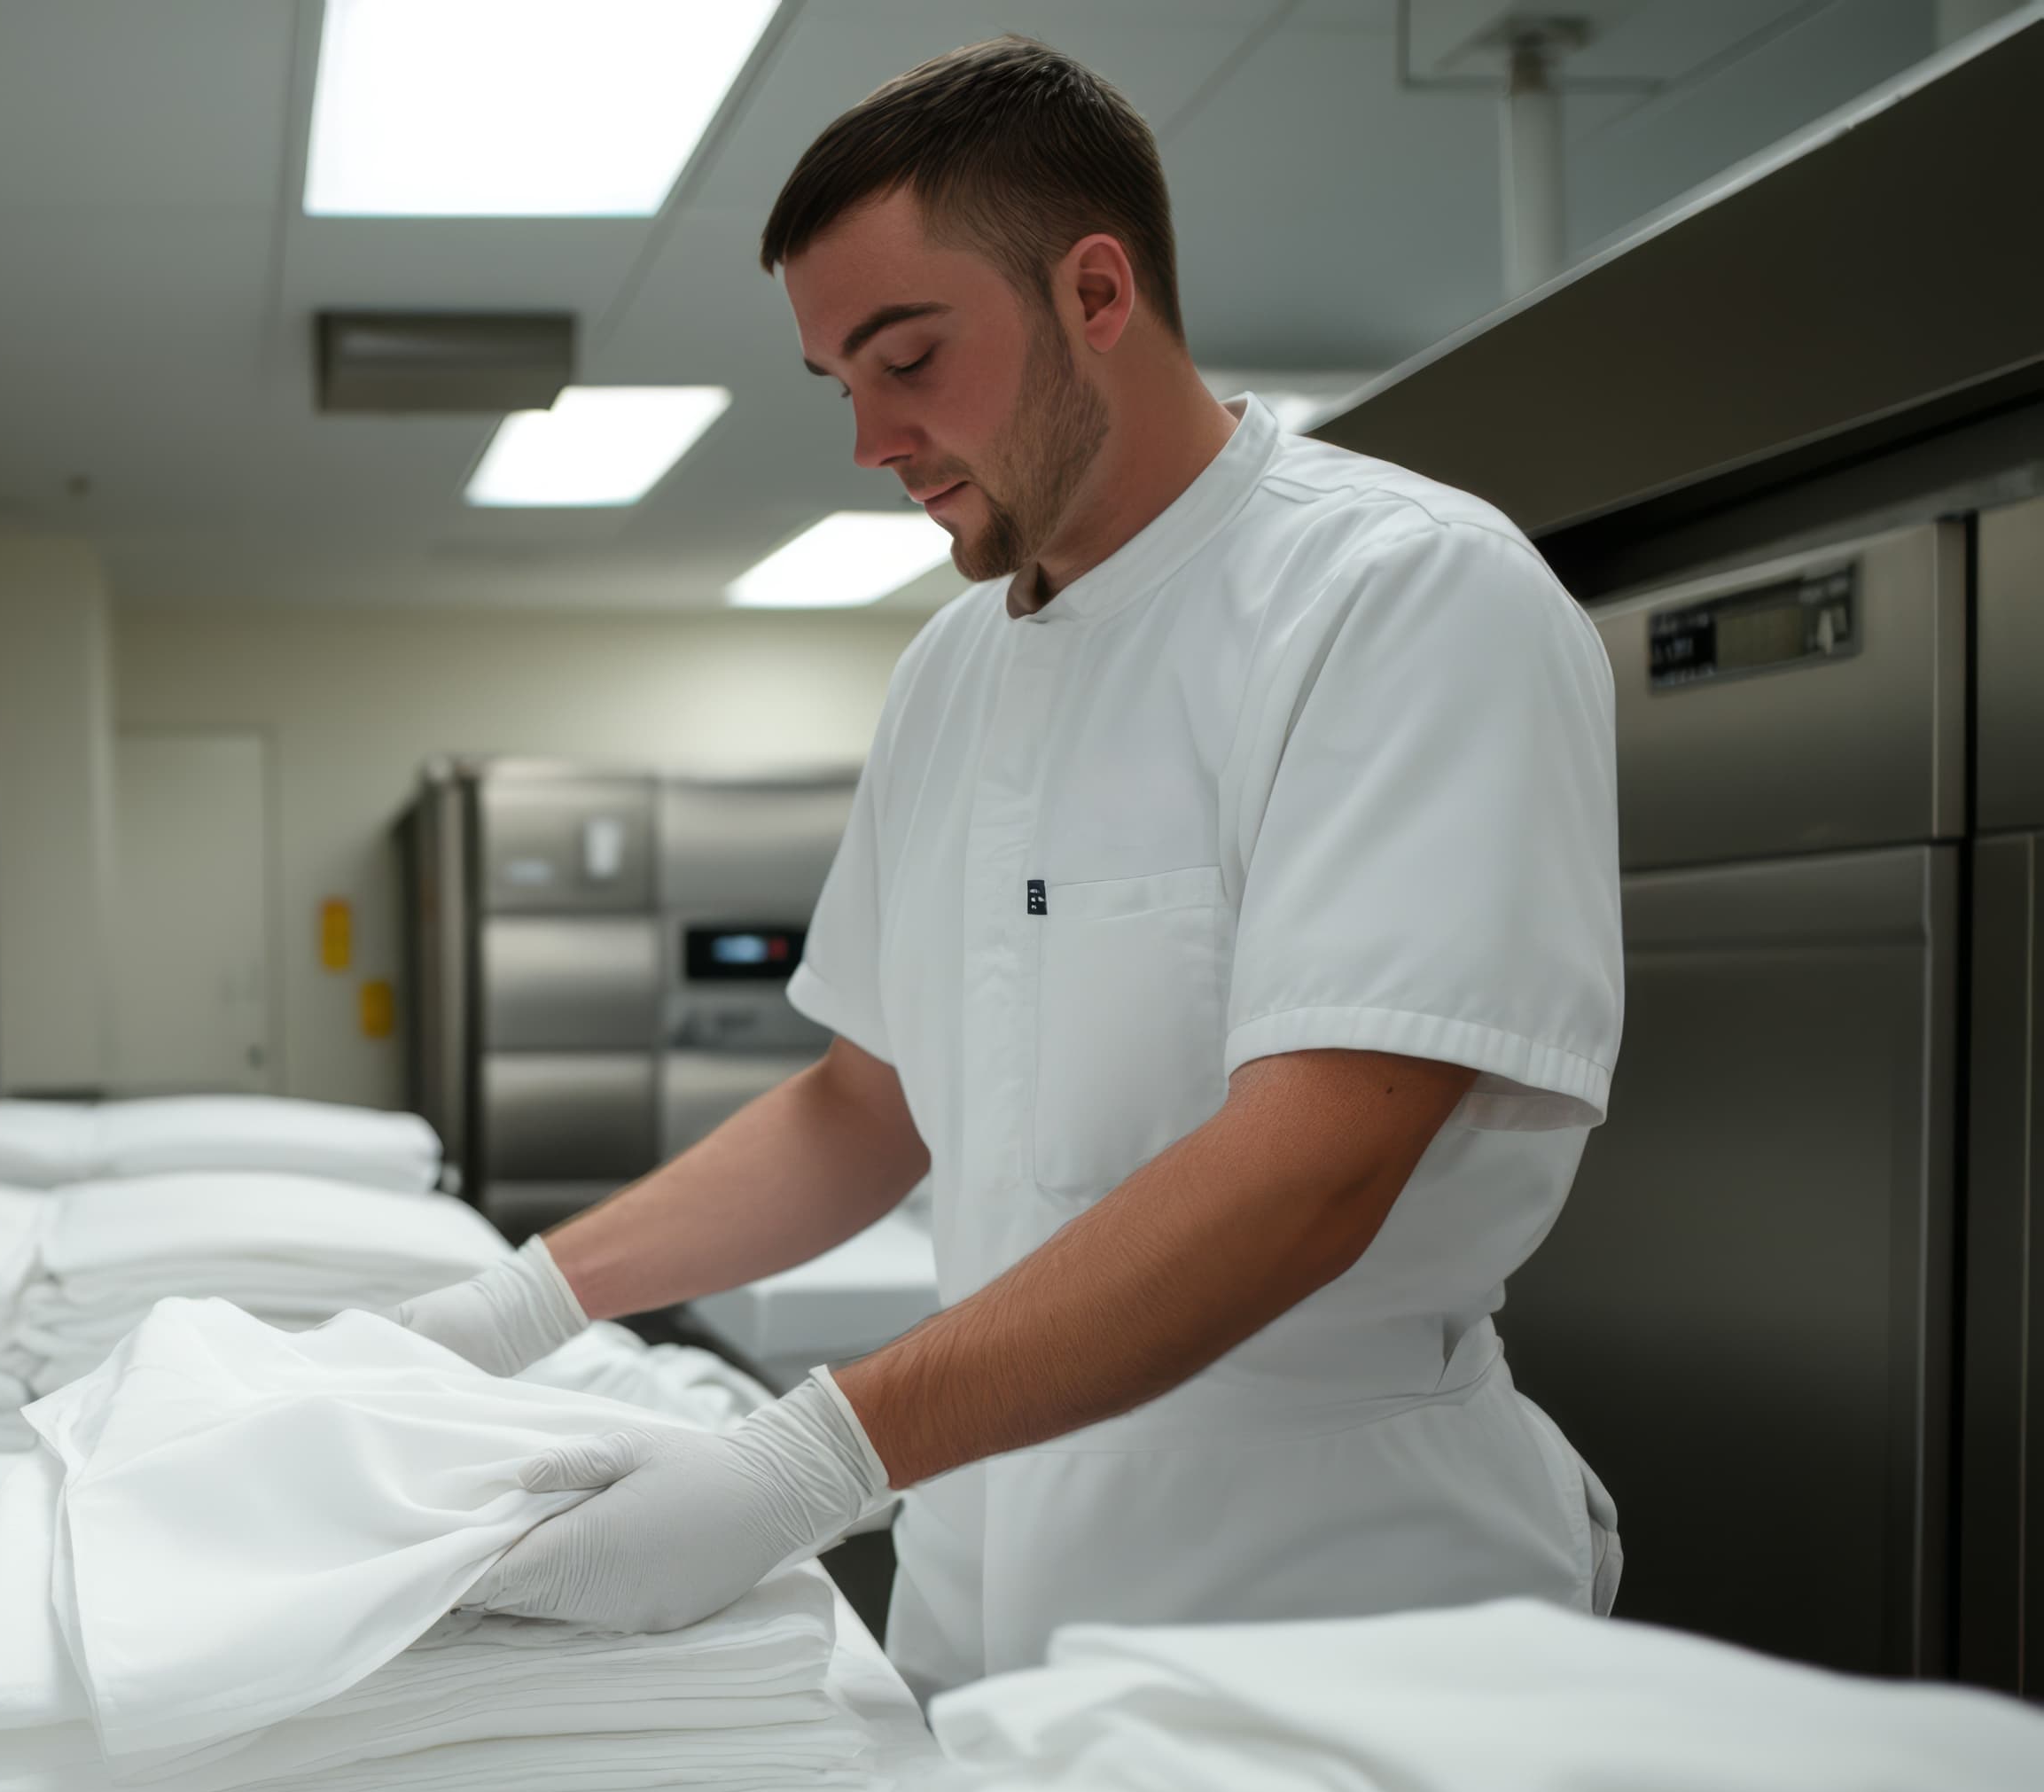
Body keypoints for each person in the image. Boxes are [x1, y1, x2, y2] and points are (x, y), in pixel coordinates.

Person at [394, 36, 1624, 1693]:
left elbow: (1310, 1171)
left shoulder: (1398, 600)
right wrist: (513, 1308)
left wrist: (807, 1460)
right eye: (841, 382)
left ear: (1097, 292)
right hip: (979, 1605)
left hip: (1325, 1616)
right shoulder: (956, 670)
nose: (870, 439)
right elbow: (863, 1107)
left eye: (908, 358)